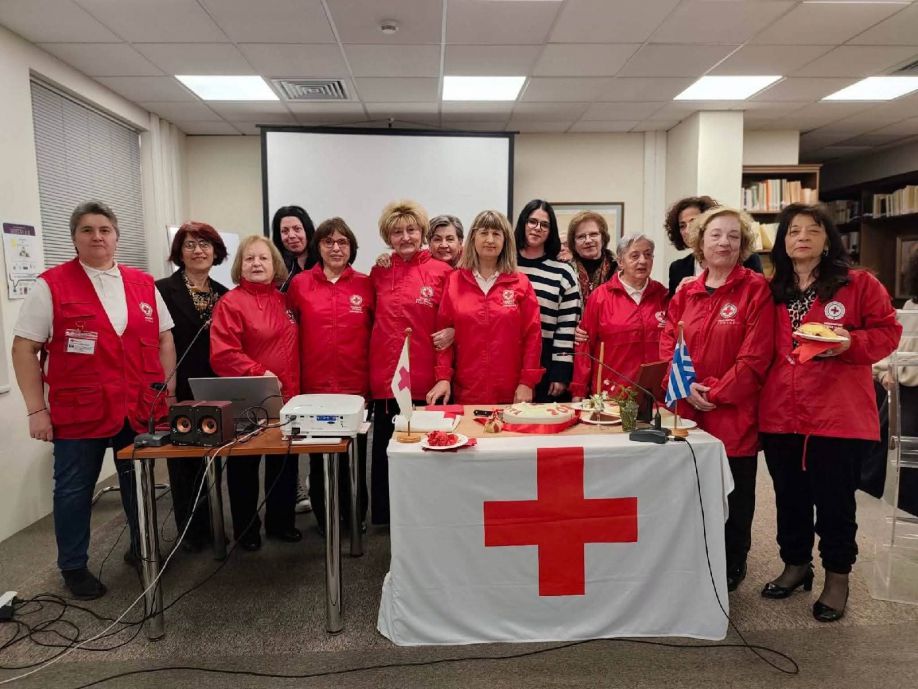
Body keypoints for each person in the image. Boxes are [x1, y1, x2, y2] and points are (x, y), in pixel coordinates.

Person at [11, 200, 176, 600]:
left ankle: (142, 547)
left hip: (138, 408)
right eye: (87, 230)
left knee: (138, 485)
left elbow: (165, 338)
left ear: (116, 237)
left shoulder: (143, 284)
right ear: (74, 238)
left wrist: (167, 394)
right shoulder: (52, 285)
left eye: (105, 229)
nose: (97, 236)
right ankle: (73, 566)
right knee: (73, 490)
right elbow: (23, 349)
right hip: (79, 411)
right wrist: (36, 410)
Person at [759, 203, 901, 622]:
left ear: (827, 241)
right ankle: (796, 564)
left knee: (835, 503)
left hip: (837, 415)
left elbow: (888, 332)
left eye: (812, 230)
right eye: (793, 231)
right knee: (789, 498)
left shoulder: (858, 284)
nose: (802, 237)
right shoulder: (771, 289)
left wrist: (850, 344)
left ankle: (837, 576)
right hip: (781, 413)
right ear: (783, 242)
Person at [660, 206, 775, 593]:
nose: (724, 242)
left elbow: (756, 356)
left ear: (743, 244)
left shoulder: (756, 289)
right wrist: (685, 387)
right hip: (687, 412)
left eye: (733, 236)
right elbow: (668, 344)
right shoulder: (685, 292)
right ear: (700, 242)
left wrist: (716, 392)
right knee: (689, 489)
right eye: (715, 235)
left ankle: (733, 560)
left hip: (733, 413)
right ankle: (690, 557)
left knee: (734, 494)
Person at [210, 235, 300, 551]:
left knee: (284, 463)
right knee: (244, 466)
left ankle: (281, 522)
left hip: (288, 397)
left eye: (263, 258)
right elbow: (223, 353)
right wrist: (258, 373)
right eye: (250, 258)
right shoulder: (230, 303)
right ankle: (246, 530)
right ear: (240, 265)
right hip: (249, 398)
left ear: (275, 264)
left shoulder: (284, 300)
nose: (257, 263)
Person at [286, 218, 373, 536]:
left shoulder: (366, 284)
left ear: (351, 248)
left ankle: (355, 515)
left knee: (355, 457)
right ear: (318, 247)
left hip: (356, 387)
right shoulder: (300, 285)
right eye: (328, 242)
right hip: (314, 388)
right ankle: (326, 518)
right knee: (320, 458)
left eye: (343, 242)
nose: (336, 248)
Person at [369, 200, 452, 524]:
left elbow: (448, 328)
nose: (405, 237)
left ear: (422, 233)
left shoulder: (442, 272)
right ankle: (386, 516)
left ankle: (426, 517)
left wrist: (443, 374)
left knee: (427, 451)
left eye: (411, 230)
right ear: (387, 237)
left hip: (426, 380)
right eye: (397, 232)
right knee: (386, 451)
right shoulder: (379, 271)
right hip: (387, 381)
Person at [155, 222, 229, 553]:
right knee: (184, 462)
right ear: (179, 253)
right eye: (190, 245)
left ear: (216, 251)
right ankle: (191, 532)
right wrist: (166, 389)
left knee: (213, 461)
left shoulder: (224, 294)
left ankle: (213, 525)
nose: (198, 250)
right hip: (179, 386)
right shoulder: (161, 290)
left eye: (205, 244)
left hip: (216, 386)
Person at [426, 210, 543, 405]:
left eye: (496, 234)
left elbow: (533, 336)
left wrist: (527, 382)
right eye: (484, 233)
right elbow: (443, 337)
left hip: (512, 391)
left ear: (505, 241)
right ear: (473, 238)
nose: (490, 240)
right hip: (467, 390)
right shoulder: (454, 281)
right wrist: (443, 377)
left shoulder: (521, 283)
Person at [570, 233, 667, 401]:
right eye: (635, 256)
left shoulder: (663, 295)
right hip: (612, 395)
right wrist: (578, 390)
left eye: (648, 255)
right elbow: (584, 346)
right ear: (621, 262)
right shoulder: (600, 297)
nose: (643, 261)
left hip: (655, 397)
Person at [270, 205, 315, 513]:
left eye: (296, 228)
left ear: (307, 230)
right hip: (284, 353)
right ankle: (294, 488)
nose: (291, 235)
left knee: (317, 423)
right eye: (284, 230)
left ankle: (315, 480)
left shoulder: (322, 260)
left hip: (314, 352)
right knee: (287, 425)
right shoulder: (276, 267)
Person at [514, 199, 581, 401]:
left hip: (546, 361)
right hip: (506, 357)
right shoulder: (505, 266)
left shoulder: (563, 272)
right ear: (523, 223)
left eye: (544, 225)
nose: (537, 228)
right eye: (532, 221)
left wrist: (560, 372)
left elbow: (567, 326)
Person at [664, 195, 764, 297]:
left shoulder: (749, 260)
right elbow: (674, 305)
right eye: (682, 226)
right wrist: (680, 295)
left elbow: (756, 295)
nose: (687, 230)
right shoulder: (677, 268)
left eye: (693, 221)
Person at [566, 211, 618, 302]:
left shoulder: (619, 269)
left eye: (593, 234)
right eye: (581, 236)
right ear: (573, 243)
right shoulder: (565, 271)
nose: (588, 240)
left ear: (603, 238)